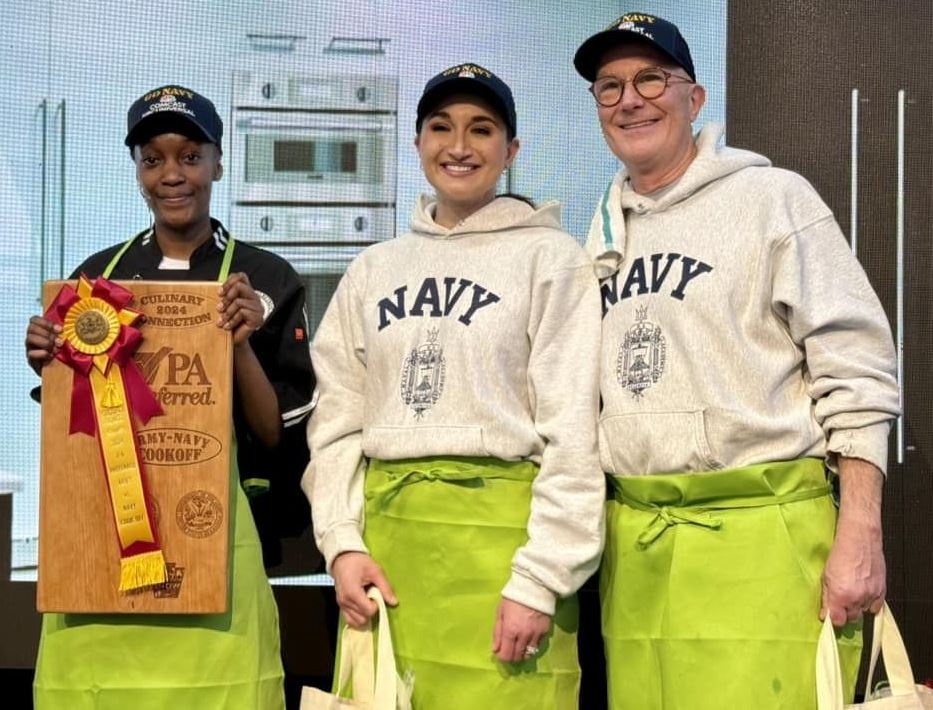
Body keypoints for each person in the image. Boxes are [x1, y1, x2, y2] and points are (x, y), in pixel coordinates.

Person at [573, 13, 900, 710]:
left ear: (694, 99)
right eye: (610, 87)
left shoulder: (772, 199)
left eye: (650, 79)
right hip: (636, 552)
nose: (630, 99)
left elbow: (857, 366)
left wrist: (860, 532)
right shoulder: (597, 236)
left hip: (764, 541)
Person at [304, 63, 605, 709]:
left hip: (506, 558)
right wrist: (341, 545)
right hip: (387, 558)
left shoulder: (552, 259)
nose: (459, 145)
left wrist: (540, 578)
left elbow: (574, 429)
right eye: (440, 127)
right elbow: (335, 421)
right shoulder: (373, 268)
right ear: (416, 144)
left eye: (481, 129)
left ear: (510, 150)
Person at [25, 84, 314, 709]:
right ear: (136, 170)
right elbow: (72, 434)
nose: (171, 174)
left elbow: (273, 435)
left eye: (189, 155)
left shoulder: (265, 278)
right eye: (152, 158)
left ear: (217, 162)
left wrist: (238, 344)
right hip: (104, 553)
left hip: (222, 554)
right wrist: (49, 361)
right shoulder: (93, 282)